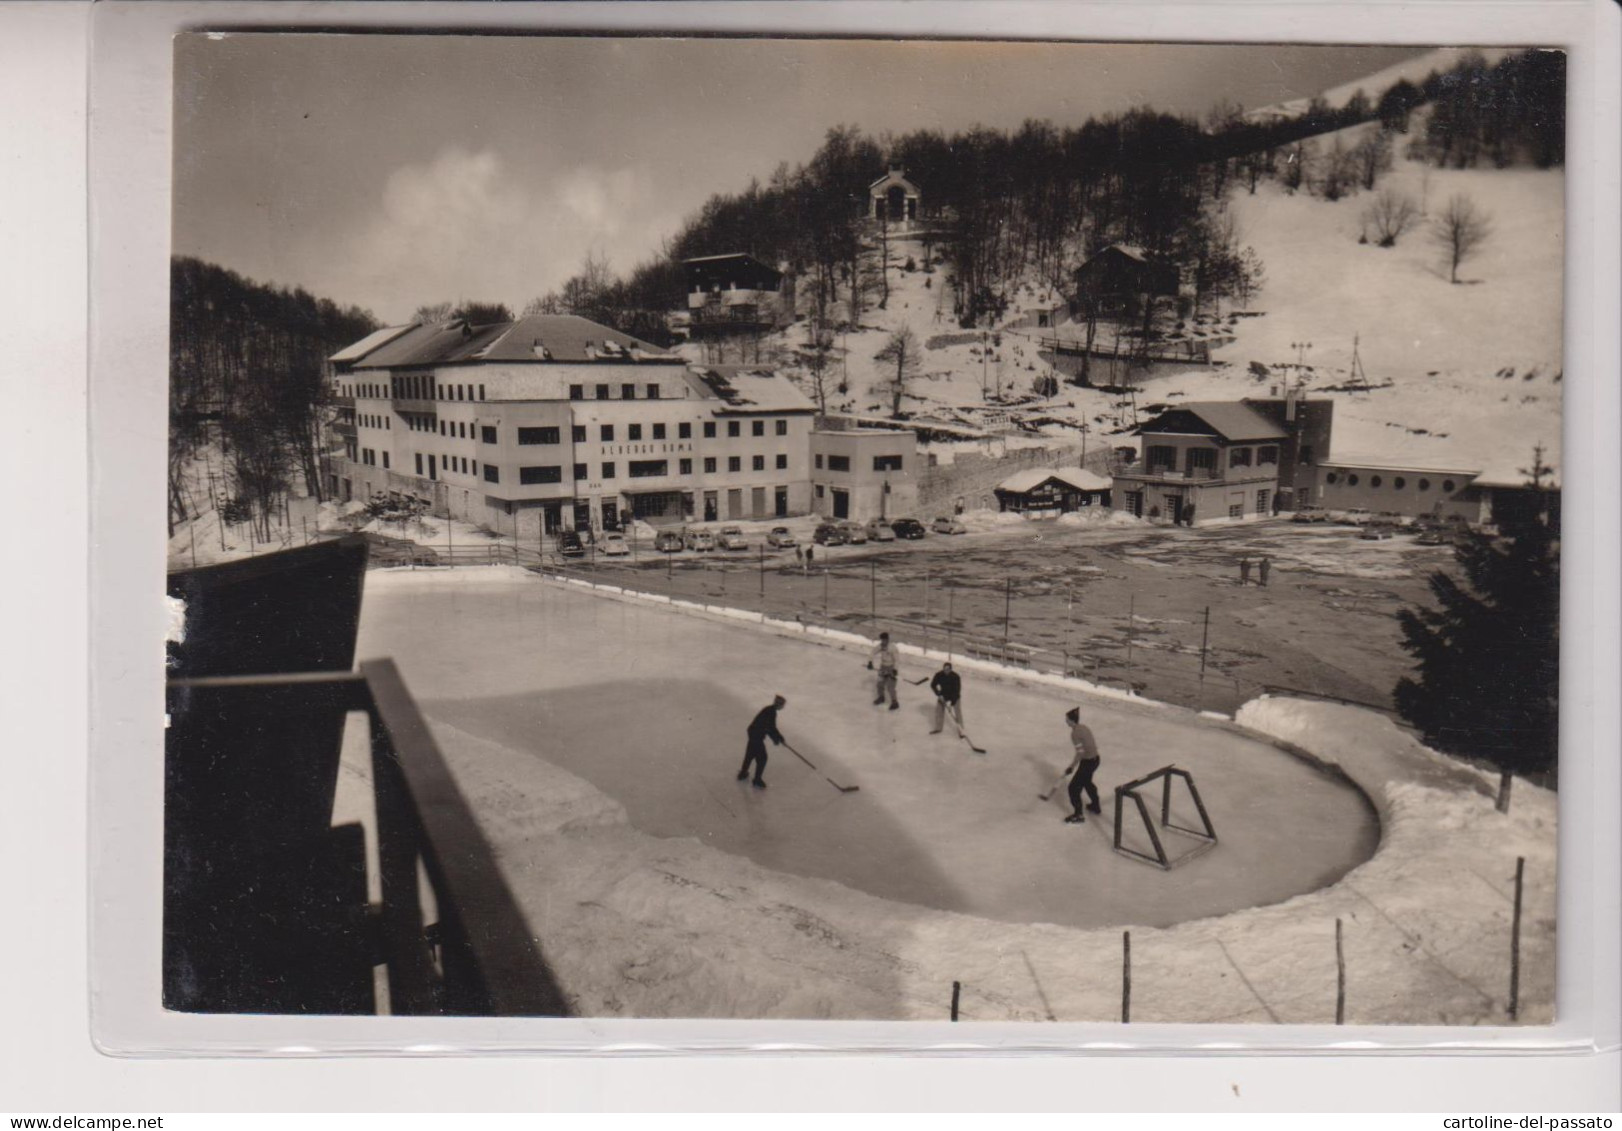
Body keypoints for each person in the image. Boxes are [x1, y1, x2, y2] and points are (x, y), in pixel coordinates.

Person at [1061, 706, 1103, 824]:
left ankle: (1078, 815)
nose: (1066, 721)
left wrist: (1071, 767)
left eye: (1067, 719)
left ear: (1071, 720)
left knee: (1073, 788)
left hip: (1088, 762)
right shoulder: (1083, 727)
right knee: (1087, 782)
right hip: (1096, 760)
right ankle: (1095, 805)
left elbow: (1080, 752)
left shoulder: (1074, 734)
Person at [736, 695, 787, 789]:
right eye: (783, 705)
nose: (783, 707)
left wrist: (778, 738)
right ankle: (757, 779)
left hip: (753, 733)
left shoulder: (769, 710)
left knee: (750, 754)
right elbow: (770, 728)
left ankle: (743, 773)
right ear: (779, 705)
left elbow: (770, 728)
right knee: (763, 758)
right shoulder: (771, 712)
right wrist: (778, 739)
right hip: (756, 736)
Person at [928, 661, 964, 735]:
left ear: (951, 669)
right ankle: (938, 728)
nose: (945, 671)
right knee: (939, 710)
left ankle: (961, 731)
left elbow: (956, 691)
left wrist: (951, 704)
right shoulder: (939, 675)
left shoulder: (956, 677)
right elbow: (933, 685)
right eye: (944, 669)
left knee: (958, 713)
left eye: (947, 670)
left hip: (955, 696)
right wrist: (938, 694)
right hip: (943, 695)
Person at [867, 631, 900, 710]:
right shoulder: (880, 646)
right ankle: (881, 697)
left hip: (891, 667)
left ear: (888, 640)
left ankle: (895, 702)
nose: (883, 642)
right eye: (882, 640)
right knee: (879, 684)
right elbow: (872, 652)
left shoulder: (893, 648)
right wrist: (870, 662)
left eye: (884, 640)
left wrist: (895, 669)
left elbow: (897, 660)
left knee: (890, 687)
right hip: (883, 667)